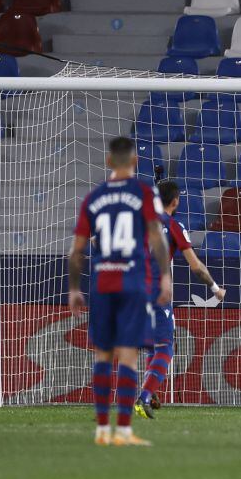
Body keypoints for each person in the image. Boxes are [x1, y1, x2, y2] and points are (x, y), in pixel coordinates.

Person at [68, 137, 173, 446]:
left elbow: (77, 251)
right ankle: (124, 431)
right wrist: (165, 277)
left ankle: (102, 429)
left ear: (108, 161)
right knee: (127, 356)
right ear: (135, 161)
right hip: (133, 282)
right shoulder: (143, 193)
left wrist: (74, 288)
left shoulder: (94, 197)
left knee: (103, 355)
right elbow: (156, 239)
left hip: (102, 283)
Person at [134, 180, 227, 419]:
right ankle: (143, 397)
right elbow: (196, 266)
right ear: (176, 201)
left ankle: (150, 390)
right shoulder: (174, 226)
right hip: (156, 291)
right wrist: (215, 288)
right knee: (166, 347)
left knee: (152, 347)